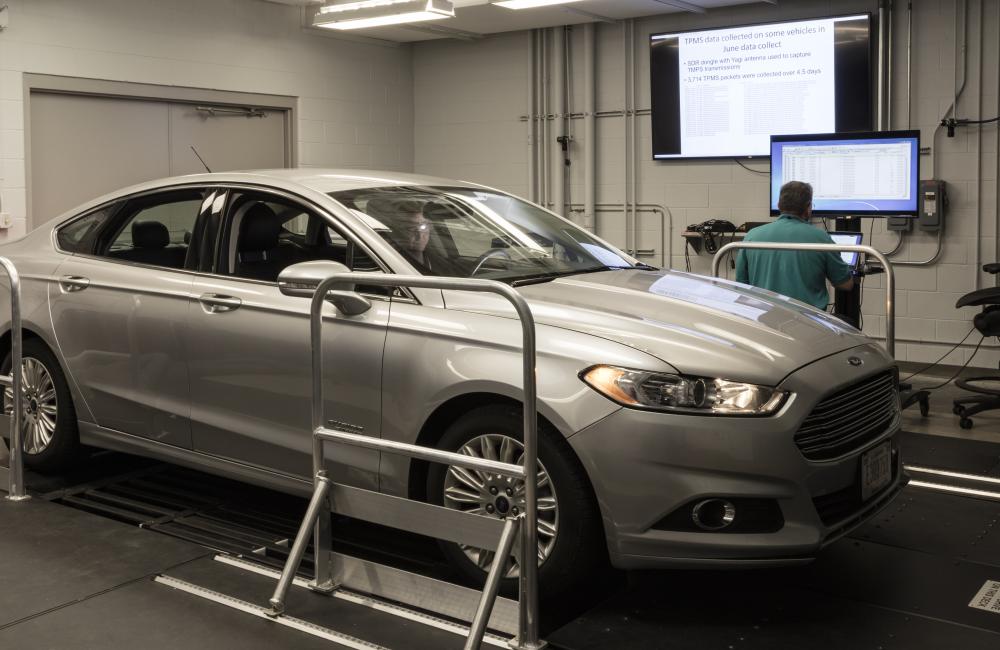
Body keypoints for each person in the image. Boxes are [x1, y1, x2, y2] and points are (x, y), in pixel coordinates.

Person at [735, 181, 854, 310]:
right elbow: (845, 284)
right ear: (808, 207)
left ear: (779, 205)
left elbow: (741, 284)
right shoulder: (821, 238)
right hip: (808, 323)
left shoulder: (752, 236)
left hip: (764, 320)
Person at [365, 198, 437, 272]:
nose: (420, 235)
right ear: (394, 231)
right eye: (410, 228)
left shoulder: (441, 264)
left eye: (424, 227)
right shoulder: (380, 263)